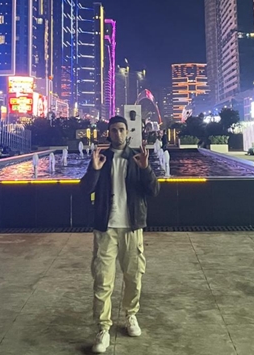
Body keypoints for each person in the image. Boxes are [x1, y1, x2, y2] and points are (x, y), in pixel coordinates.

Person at [80, 116, 160, 354]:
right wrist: (94, 170)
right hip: (106, 229)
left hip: (132, 227)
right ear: (109, 133)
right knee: (103, 280)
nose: (118, 134)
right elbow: (84, 189)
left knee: (133, 276)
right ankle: (103, 328)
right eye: (114, 130)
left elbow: (154, 190)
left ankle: (131, 315)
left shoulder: (137, 158)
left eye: (122, 129)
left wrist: (145, 169)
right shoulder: (101, 158)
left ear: (128, 132)